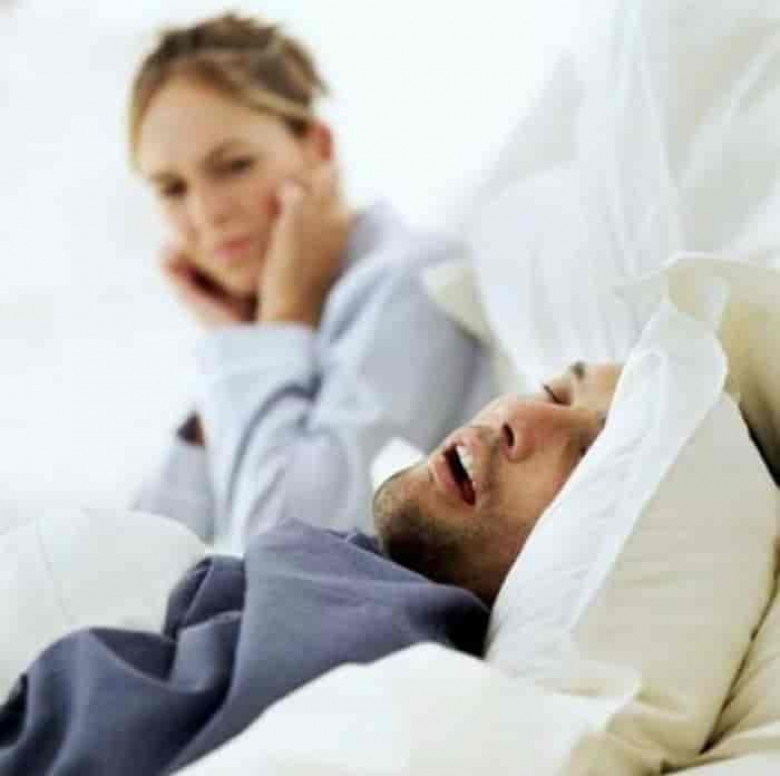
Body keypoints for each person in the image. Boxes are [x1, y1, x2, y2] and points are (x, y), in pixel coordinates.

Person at [0, 362, 620, 775]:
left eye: (591, 456)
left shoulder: (378, 647)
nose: (519, 419)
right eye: (553, 392)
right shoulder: (346, 582)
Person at [129, 13, 494, 551]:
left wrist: (280, 322)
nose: (206, 213)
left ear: (317, 147)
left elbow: (286, 551)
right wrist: (240, 340)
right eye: (172, 189)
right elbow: (135, 553)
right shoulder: (261, 335)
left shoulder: (412, 284)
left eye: (234, 166)